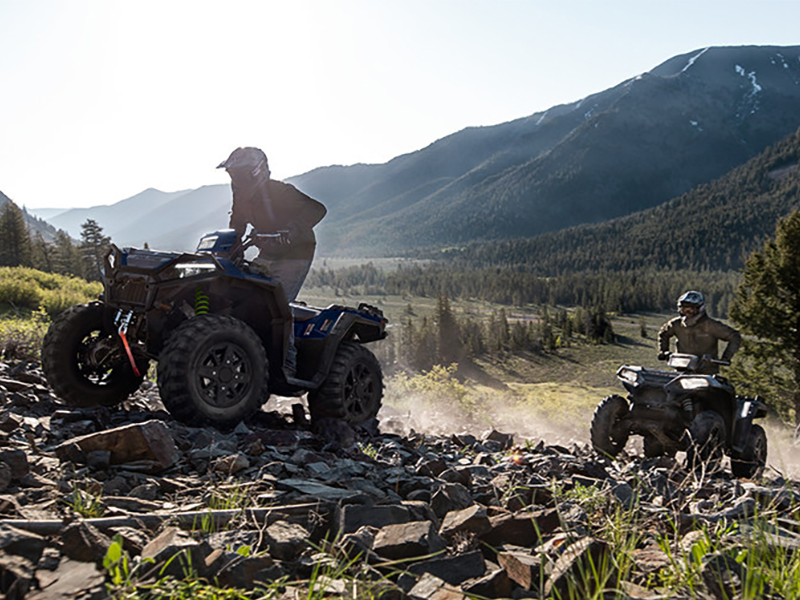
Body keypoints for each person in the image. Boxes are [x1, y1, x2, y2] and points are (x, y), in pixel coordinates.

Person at [217, 146, 326, 303]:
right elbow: (237, 224)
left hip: (295, 254)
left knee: (277, 304)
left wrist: (291, 230)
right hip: (268, 252)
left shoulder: (279, 191)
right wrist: (230, 251)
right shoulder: (241, 196)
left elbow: (317, 209)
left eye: (239, 173)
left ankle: (288, 325)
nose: (235, 178)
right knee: (242, 295)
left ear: (255, 171)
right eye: (233, 173)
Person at [657, 290, 742, 374]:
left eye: (691, 310)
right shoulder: (676, 324)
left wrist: (726, 358)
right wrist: (663, 351)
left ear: (699, 309)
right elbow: (663, 333)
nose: (687, 313)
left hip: (706, 372)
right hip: (681, 368)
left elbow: (734, 336)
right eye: (684, 309)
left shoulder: (711, 325)